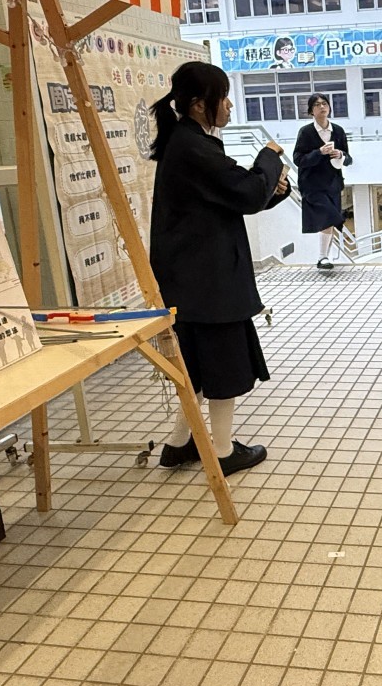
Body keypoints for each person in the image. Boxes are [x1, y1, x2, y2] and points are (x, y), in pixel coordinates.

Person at [148, 62, 289, 477]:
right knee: (223, 367)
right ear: (198, 104)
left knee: (196, 367)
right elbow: (245, 192)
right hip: (207, 282)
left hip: (192, 278)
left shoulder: (187, 141)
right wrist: (269, 158)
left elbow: (232, 196)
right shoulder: (193, 147)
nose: (228, 106)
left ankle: (179, 445)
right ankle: (223, 451)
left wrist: (271, 189)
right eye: (222, 98)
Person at [294, 93, 352, 270]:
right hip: (312, 185)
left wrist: (340, 154)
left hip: (333, 184)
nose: (322, 107)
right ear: (311, 110)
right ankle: (323, 256)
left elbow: (348, 159)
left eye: (324, 103)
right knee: (330, 216)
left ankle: (324, 257)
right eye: (317, 104)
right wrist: (319, 152)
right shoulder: (306, 132)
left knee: (330, 219)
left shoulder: (338, 131)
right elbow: (298, 159)